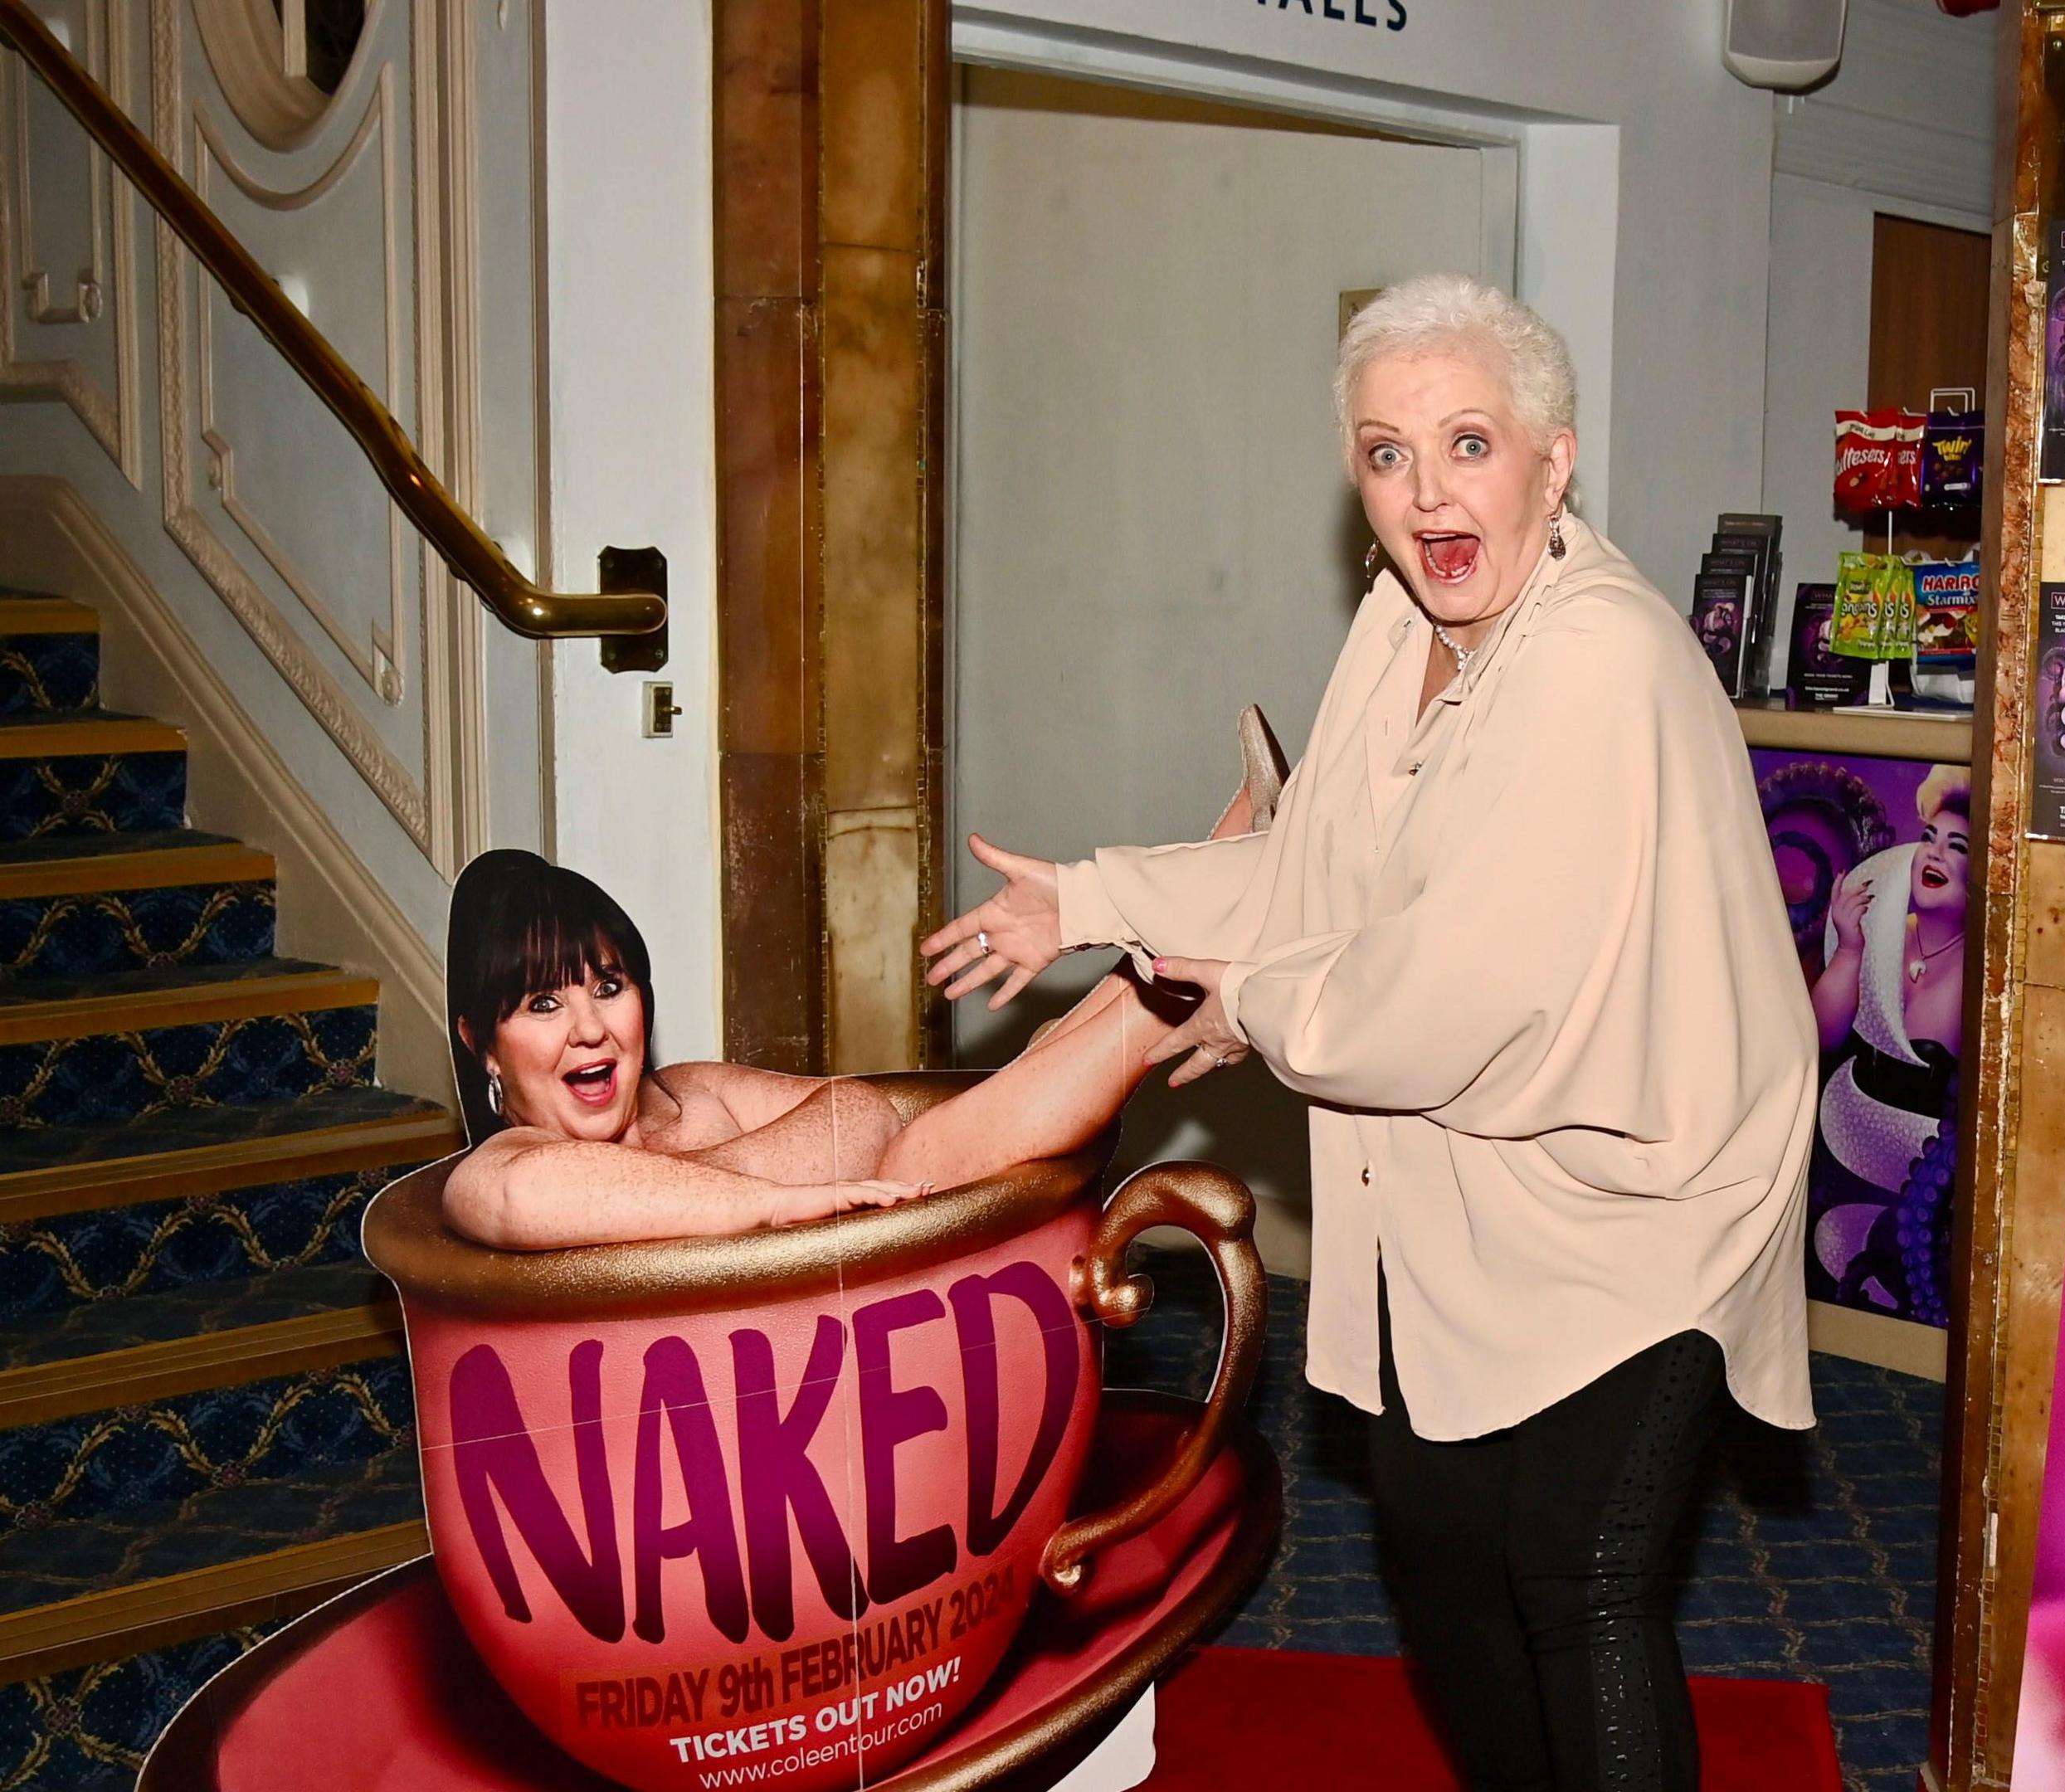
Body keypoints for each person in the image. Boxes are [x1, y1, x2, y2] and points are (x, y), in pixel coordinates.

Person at [923, 273, 1818, 1792]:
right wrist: (1081, 898)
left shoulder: (1597, 659)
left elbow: (1449, 990)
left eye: (1469, 442)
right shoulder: (1399, 629)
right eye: (1387, 454)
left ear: (1557, 458)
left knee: (1573, 1572)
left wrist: (1244, 1002)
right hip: (1470, 1190)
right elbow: (1315, 868)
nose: (1426, 490)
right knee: (1444, 1558)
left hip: (1648, 1191)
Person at [437, 733, 1274, 1249]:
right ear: (483, 1043)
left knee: (993, 1095)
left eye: (609, 986)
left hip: (857, 1361)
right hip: (746, 1444)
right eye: (543, 1004)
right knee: (929, 1159)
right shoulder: (505, 1165)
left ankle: (1193, 926)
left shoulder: (690, 1098)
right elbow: (523, 1196)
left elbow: (866, 1113)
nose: (590, 1028)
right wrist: (782, 1205)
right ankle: (1206, 923)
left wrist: (750, 1189)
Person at [1803, 767, 1968, 1326]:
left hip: (1921, 1194)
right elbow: (1822, 1036)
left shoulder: (1984, 964)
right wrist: (1849, 947)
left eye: (1957, 846)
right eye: (1929, 840)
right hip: (1841, 1161)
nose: (1935, 855)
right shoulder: (1881, 939)